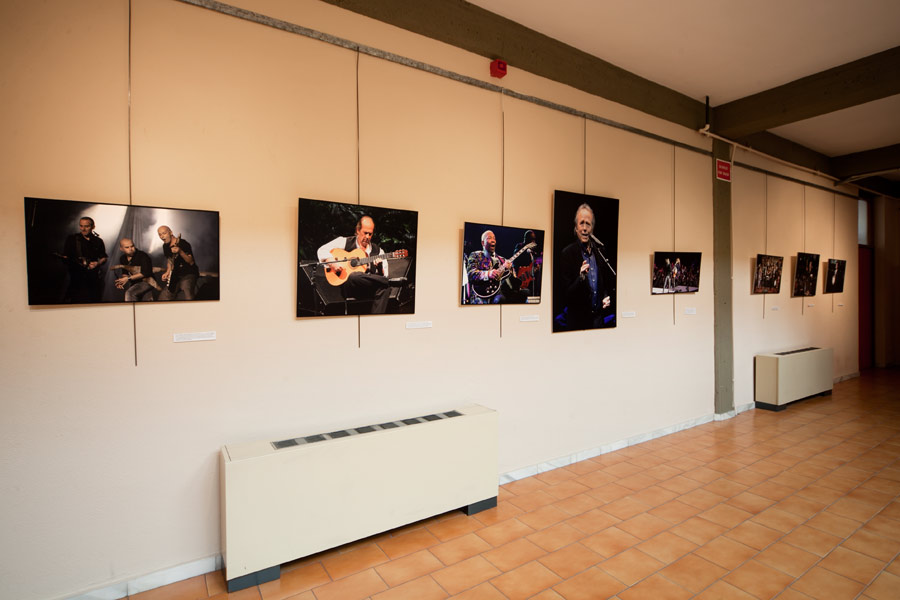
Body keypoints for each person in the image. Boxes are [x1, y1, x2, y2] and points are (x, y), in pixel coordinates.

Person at [555, 203, 614, 331]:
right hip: (578, 322)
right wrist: (581, 278)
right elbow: (566, 294)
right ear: (576, 228)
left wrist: (605, 296)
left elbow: (604, 283)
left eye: (588, 224)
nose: (585, 228)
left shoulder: (600, 252)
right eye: (581, 223)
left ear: (592, 229)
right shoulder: (567, 253)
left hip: (598, 320)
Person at [317, 215, 391, 313]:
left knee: (384, 288)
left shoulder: (378, 251)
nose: (367, 237)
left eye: (370, 234)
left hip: (368, 289)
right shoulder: (344, 242)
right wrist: (332, 262)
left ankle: (375, 319)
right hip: (351, 287)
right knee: (354, 276)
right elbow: (322, 250)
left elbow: (385, 275)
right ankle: (391, 282)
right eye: (365, 233)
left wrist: (380, 267)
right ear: (357, 230)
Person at [62, 216, 107, 303]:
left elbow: (104, 257)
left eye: (86, 226)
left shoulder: (98, 241)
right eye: (81, 226)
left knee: (93, 300)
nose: (83, 229)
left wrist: (97, 263)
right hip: (76, 277)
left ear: (93, 227)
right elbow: (65, 257)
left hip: (92, 277)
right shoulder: (72, 239)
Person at [466, 230, 515, 304]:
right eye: (489, 238)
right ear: (483, 243)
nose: (493, 240)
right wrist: (488, 274)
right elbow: (470, 274)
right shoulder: (475, 255)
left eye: (494, 238)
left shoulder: (502, 259)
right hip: (480, 296)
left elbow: (510, 277)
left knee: (524, 293)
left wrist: (510, 269)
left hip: (500, 292)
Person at [158, 226, 199, 301]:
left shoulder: (183, 243)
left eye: (164, 233)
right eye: (160, 234)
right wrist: (167, 272)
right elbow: (170, 260)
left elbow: (191, 261)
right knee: (163, 298)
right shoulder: (165, 246)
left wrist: (180, 251)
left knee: (187, 292)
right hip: (176, 274)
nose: (162, 236)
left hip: (188, 273)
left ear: (171, 233)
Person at [512, 230, 541, 297]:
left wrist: (536, 266)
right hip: (521, 276)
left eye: (534, 239)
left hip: (529, 277)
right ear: (526, 239)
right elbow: (515, 260)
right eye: (532, 239)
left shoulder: (532, 251)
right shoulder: (520, 246)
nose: (533, 241)